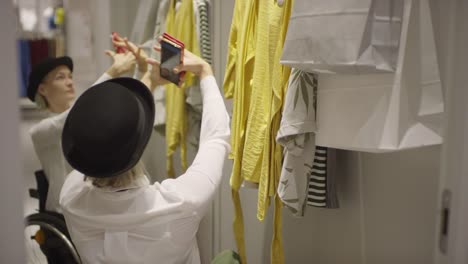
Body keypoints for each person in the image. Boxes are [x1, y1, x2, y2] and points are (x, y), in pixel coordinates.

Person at [59, 44, 230, 263]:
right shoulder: (183, 202)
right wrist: (205, 71)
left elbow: (89, 130)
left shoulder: (71, 198)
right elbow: (215, 137)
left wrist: (149, 81)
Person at [27, 50, 137, 263]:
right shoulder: (41, 132)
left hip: (94, 207)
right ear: (42, 89)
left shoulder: (82, 121)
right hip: (64, 217)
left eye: (70, 76)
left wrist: (142, 71)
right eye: (60, 77)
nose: (69, 82)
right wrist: (112, 71)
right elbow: (73, 116)